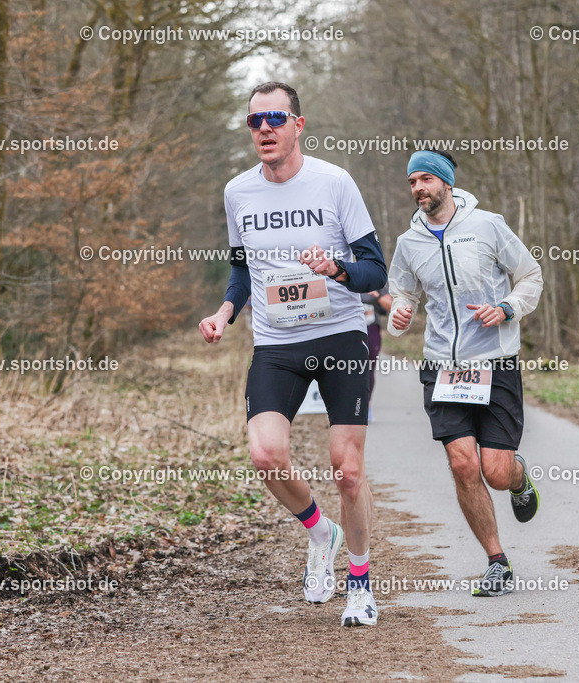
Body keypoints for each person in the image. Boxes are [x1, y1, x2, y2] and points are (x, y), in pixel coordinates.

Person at [198, 82, 387, 626]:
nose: (264, 129)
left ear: (298, 125)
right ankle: (318, 531)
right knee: (264, 456)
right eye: (255, 121)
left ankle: (360, 584)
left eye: (275, 118)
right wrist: (223, 314)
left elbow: (375, 269)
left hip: (339, 337)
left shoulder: (334, 181)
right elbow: (241, 271)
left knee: (347, 472)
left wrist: (337, 269)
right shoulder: (238, 192)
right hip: (277, 343)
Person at [386, 149, 544, 596]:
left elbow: (530, 275)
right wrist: (401, 311)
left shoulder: (488, 226)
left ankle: (519, 476)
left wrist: (507, 309)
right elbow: (402, 289)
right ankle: (497, 561)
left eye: (425, 180)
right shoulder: (408, 242)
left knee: (495, 471)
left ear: (446, 183)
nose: (418, 188)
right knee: (461, 464)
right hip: (442, 368)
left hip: (494, 365)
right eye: (412, 181)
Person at [361, 287, 392, 413]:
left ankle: (366, 405)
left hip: (371, 327)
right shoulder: (338, 271)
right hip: (347, 327)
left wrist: (377, 296)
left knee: (369, 367)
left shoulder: (376, 276)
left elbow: (390, 305)